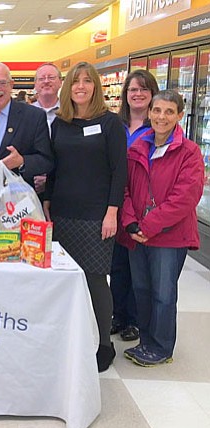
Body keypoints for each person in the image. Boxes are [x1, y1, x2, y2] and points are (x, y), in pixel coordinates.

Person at [43, 61, 127, 373]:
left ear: (95, 87)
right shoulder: (60, 124)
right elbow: (55, 166)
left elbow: (120, 171)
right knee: (66, 278)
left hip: (96, 215)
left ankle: (104, 344)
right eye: (75, 81)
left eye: (87, 81)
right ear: (68, 87)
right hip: (64, 213)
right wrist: (48, 200)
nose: (81, 86)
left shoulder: (110, 124)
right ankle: (72, 337)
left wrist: (112, 212)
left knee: (94, 279)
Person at [121, 89, 204, 367]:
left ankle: (161, 347)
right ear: (149, 113)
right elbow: (125, 189)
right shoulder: (137, 147)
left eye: (169, 112)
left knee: (163, 294)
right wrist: (131, 221)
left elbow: (185, 198)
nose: (162, 117)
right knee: (142, 290)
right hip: (138, 233)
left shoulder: (189, 153)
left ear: (180, 115)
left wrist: (148, 225)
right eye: (157, 110)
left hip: (170, 237)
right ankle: (146, 342)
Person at [111, 70, 160, 343]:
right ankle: (117, 314)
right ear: (125, 94)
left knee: (138, 269)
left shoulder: (157, 127)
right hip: (117, 204)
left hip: (143, 207)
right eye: (132, 89)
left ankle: (135, 320)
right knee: (117, 264)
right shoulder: (115, 125)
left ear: (152, 93)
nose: (137, 94)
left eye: (143, 89)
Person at [31, 63, 63, 195]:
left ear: (60, 82)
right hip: (32, 187)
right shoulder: (25, 115)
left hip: (62, 185)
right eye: (41, 78)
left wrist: (49, 180)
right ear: (35, 84)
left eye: (51, 77)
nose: (46, 81)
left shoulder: (71, 113)